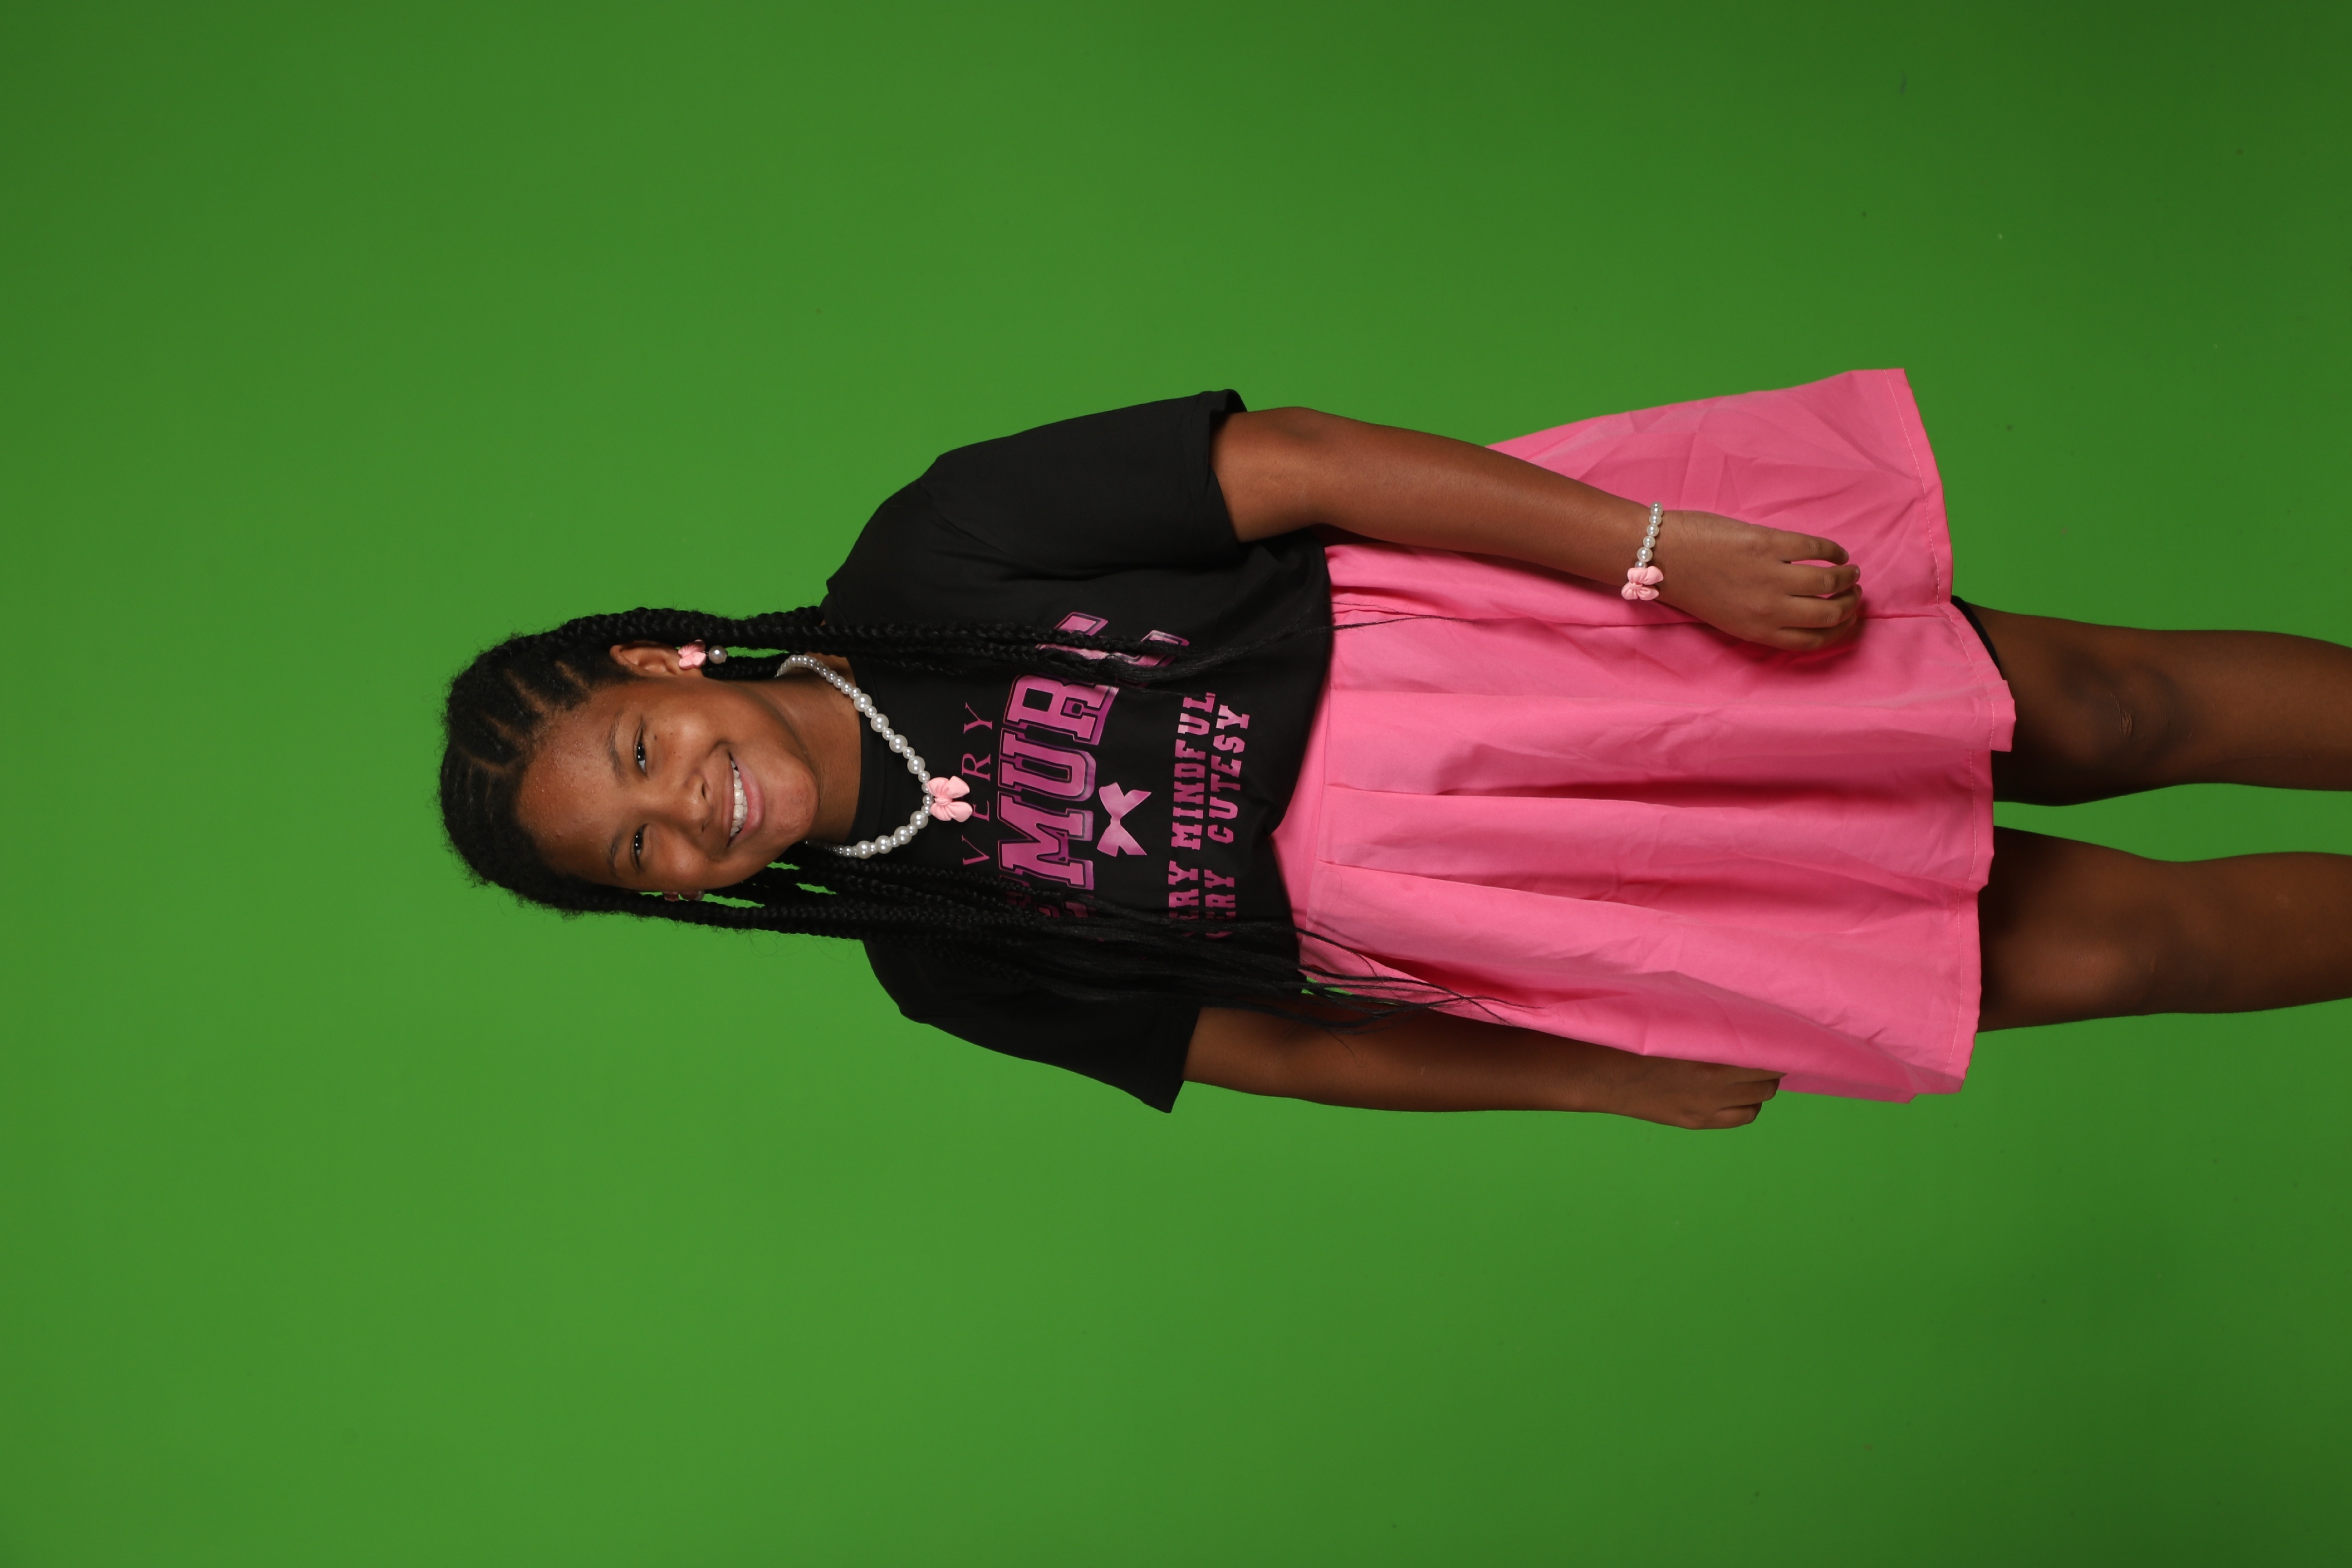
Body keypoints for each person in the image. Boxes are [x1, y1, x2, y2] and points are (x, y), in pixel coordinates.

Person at [438, 373, 2352, 1130]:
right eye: (639, 851)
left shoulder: (936, 550)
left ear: (661, 660)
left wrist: (1653, 553)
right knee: (2123, 950)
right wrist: (1593, 1078)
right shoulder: (944, 960)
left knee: (2110, 709)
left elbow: (1299, 467)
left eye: (642, 748)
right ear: (668, 900)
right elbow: (1280, 1048)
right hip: (1546, 903)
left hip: (1555, 671)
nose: (686, 806)